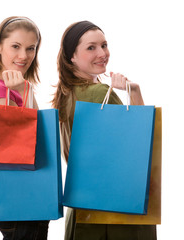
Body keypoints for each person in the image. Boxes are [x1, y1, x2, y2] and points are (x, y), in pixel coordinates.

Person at [52, 20, 157, 240]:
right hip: (118, 212)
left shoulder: (66, 94)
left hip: (83, 210)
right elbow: (142, 144)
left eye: (104, 45)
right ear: (72, 56)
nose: (102, 53)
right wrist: (135, 92)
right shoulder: (98, 93)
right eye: (91, 47)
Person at [0, 16, 49, 240]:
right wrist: (25, 90)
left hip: (23, 195)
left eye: (31, 48)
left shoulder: (17, 88)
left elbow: (38, 130)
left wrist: (25, 90)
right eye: (16, 47)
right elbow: (23, 142)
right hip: (19, 198)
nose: (24, 56)